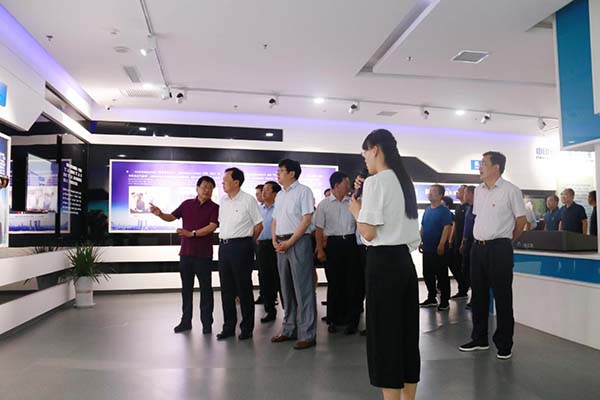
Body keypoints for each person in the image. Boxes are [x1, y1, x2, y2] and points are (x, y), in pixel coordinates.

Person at [349, 129, 421, 400]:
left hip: (383, 264)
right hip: (404, 262)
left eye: (365, 154)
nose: (365, 159)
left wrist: (356, 210)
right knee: (406, 335)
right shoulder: (405, 182)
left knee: (384, 337)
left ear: (375, 149)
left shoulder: (376, 182)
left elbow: (368, 232)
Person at [459, 151, 527, 360]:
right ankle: (479, 338)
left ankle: (504, 344)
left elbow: (521, 220)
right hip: (478, 248)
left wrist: (507, 240)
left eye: (483, 163)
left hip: (499, 249)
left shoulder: (511, 190)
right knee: (478, 296)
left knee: (502, 297)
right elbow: (480, 218)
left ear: (496, 167)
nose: (479, 167)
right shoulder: (479, 191)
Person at [150, 176, 219, 334]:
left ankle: (207, 323)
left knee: (206, 290)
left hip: (204, 255)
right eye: (204, 186)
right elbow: (171, 217)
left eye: (210, 187)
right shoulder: (187, 204)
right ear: (197, 188)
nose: (207, 190)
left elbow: (212, 227)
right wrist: (160, 214)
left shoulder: (215, 207)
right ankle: (185, 321)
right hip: (186, 254)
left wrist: (192, 233)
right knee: (186, 289)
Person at [271, 159, 317, 350]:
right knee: (286, 289)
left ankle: (307, 334)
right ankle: (289, 329)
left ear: (292, 173)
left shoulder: (304, 191)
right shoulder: (280, 195)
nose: (278, 174)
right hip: (281, 243)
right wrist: (274, 240)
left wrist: (289, 242)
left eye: (281, 171)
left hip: (298, 242)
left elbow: (306, 220)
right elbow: (275, 220)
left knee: (303, 289)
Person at [217, 167, 263, 341]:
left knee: (244, 288)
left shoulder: (248, 200)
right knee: (226, 289)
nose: (223, 183)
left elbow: (259, 225)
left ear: (236, 182)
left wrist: (248, 242)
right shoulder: (223, 200)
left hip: (242, 246)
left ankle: (247, 328)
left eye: (226, 180)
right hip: (224, 247)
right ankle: (228, 327)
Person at [315, 171, 361, 334]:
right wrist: (320, 250)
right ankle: (334, 319)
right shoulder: (324, 205)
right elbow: (319, 229)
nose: (349, 186)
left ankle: (352, 321)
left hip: (351, 243)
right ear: (336, 185)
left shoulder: (353, 203)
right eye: (346, 183)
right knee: (335, 283)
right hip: (333, 245)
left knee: (352, 283)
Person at [419, 184, 453, 311]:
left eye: (433, 191)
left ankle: (444, 301)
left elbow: (447, 227)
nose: (430, 193)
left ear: (440, 195)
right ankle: (431, 298)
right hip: (427, 248)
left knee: (442, 275)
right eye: (430, 191)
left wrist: (442, 244)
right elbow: (423, 226)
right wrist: (420, 240)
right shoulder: (427, 210)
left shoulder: (444, 211)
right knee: (427, 274)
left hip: (439, 249)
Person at [256, 180, 282, 323]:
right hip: (262, 246)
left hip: (277, 245)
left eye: (267, 190)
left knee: (280, 278)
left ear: (275, 193)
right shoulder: (259, 209)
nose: (263, 192)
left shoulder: (279, 208)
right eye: (263, 190)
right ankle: (270, 310)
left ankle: (289, 312)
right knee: (265, 279)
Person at [449, 185, 469, 299]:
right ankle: (462, 287)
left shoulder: (468, 208)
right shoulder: (458, 208)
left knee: (464, 267)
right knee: (454, 264)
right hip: (457, 241)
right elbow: (455, 224)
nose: (457, 192)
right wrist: (451, 238)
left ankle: (464, 289)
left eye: (460, 191)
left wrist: (464, 241)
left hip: (465, 241)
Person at [460, 185, 476, 309]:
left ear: (471, 194)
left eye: (465, 193)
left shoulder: (478, 208)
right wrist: (463, 242)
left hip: (475, 242)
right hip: (467, 242)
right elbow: (466, 227)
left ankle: (475, 299)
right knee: (467, 270)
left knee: (474, 272)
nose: (464, 195)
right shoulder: (468, 208)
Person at [254, 183, 265, 305]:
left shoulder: (276, 207)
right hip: (259, 243)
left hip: (272, 244)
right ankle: (264, 295)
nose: (257, 196)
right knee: (261, 271)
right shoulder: (258, 209)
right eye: (256, 194)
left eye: (259, 194)